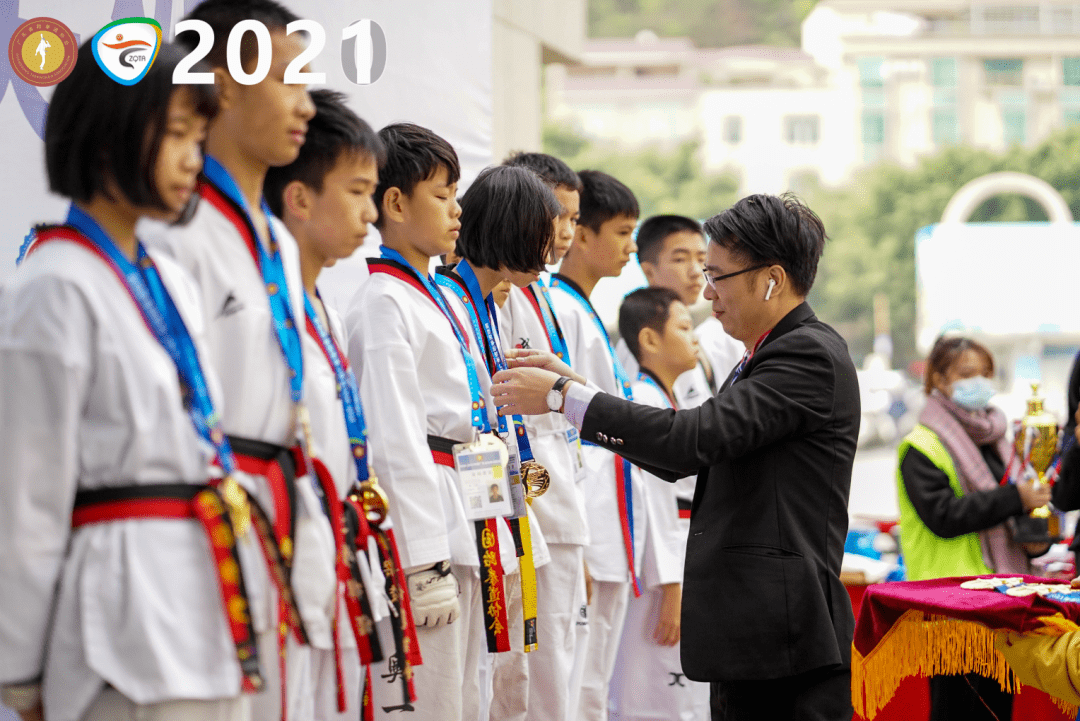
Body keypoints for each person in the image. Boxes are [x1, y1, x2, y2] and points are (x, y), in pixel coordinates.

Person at [491, 192, 861, 721]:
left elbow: (692, 440)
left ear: (771, 278)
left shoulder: (806, 355)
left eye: (719, 276)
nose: (706, 294)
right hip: (756, 630)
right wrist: (572, 386)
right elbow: (683, 454)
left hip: (782, 632)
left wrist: (562, 396)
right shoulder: (765, 354)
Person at [0, 41, 244, 721]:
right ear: (105, 132)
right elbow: (28, 493)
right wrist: (19, 667)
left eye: (198, 137)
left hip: (208, 589)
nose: (194, 156)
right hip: (121, 611)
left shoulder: (166, 278)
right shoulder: (52, 285)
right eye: (173, 135)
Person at [141, 2, 329, 719]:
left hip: (277, 511)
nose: (304, 105)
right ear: (223, 81)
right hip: (201, 524)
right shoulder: (171, 229)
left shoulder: (276, 241)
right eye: (288, 80)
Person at [343, 123, 521, 721]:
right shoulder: (383, 301)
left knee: (470, 692)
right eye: (442, 195)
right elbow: (393, 439)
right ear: (395, 203)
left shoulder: (435, 296)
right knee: (435, 697)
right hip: (429, 524)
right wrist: (420, 560)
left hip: (467, 506)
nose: (457, 209)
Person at [263, 89, 389, 720]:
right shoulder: (258, 303)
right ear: (300, 197)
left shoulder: (328, 314)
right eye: (358, 190)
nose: (370, 213)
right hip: (275, 560)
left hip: (338, 554)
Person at [434, 164, 561, 721]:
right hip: (464, 518)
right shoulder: (446, 301)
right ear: (510, 227)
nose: (552, 244)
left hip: (499, 513)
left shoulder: (490, 307)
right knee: (468, 689)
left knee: (508, 683)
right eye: (541, 229)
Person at [896, 335, 1051, 721]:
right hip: (949, 608)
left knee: (997, 711)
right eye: (967, 374)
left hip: (1001, 603)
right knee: (957, 711)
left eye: (985, 373)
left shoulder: (1001, 439)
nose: (979, 382)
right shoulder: (922, 445)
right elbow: (945, 516)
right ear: (939, 379)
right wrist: (1017, 498)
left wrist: (1037, 538)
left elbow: (1020, 512)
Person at [546, 169, 645, 721]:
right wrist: (578, 539)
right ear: (582, 233)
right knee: (578, 686)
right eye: (623, 231)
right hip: (583, 521)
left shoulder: (582, 310)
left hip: (603, 524)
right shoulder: (560, 307)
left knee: (592, 684)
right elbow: (570, 429)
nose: (630, 246)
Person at [498, 151, 591, 721]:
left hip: (561, 497)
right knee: (529, 672)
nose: (565, 230)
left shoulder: (546, 297)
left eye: (573, 218)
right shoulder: (500, 296)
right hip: (528, 502)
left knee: (560, 666)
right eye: (557, 213)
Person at [608, 288, 711, 721]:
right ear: (650, 340)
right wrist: (671, 586)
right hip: (660, 568)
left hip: (678, 554)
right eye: (684, 328)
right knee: (654, 688)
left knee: (679, 693)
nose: (695, 339)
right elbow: (650, 499)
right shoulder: (642, 402)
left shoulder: (663, 399)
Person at [615, 214, 740, 406]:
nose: (696, 271)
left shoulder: (708, 335)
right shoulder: (638, 346)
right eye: (680, 259)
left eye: (701, 260)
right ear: (649, 271)